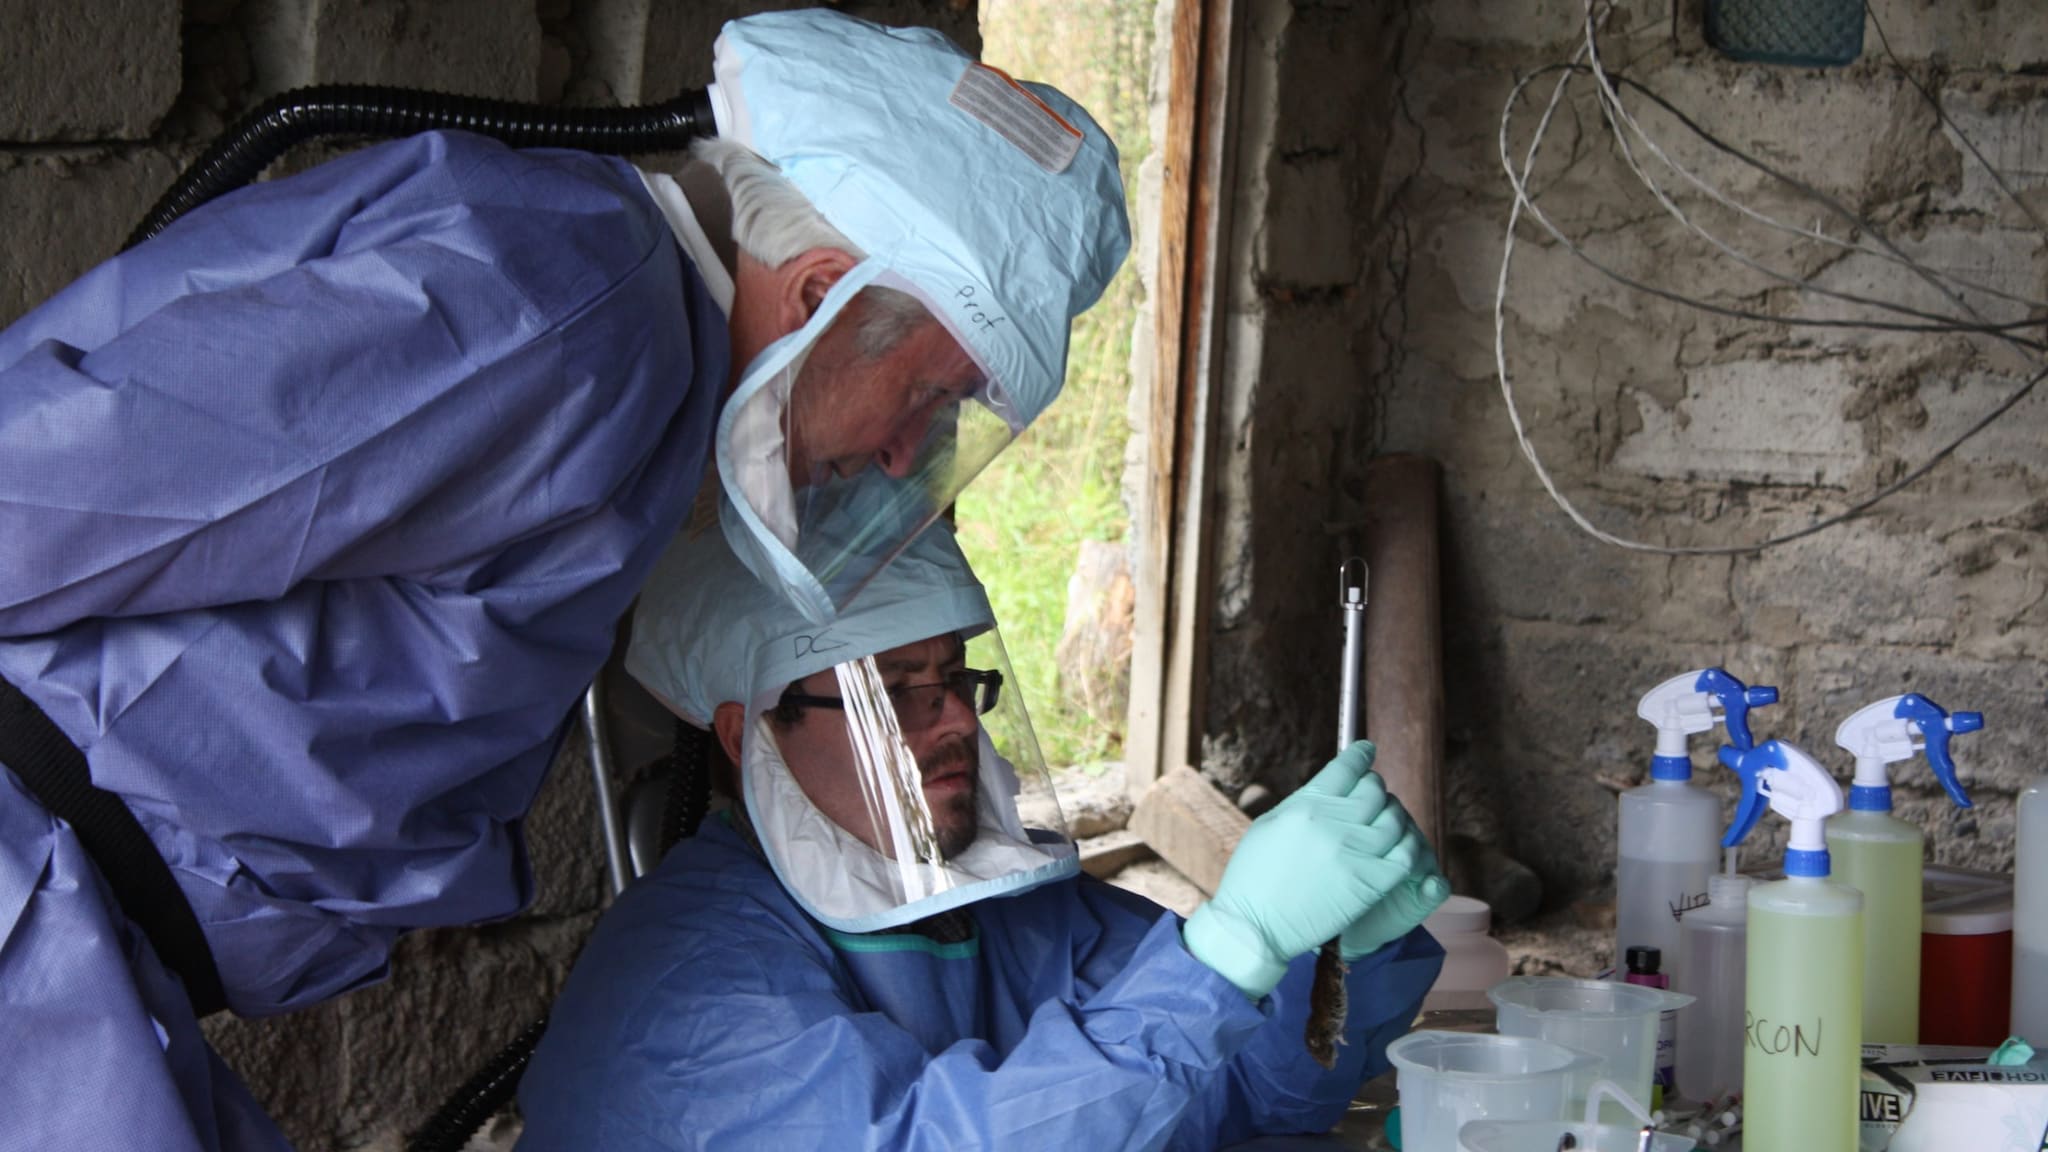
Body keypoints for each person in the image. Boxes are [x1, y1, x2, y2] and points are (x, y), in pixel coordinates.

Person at [0, 10, 1128, 1152]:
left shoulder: (639, 358)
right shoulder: (566, 317)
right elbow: (49, 493)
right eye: (932, 398)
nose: (903, 457)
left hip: (96, 945)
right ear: (820, 294)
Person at [515, 516, 1449, 1150]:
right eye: (891, 693)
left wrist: (1333, 964)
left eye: (956, 678)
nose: (954, 719)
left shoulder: (999, 910)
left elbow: (1247, 1096)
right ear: (745, 732)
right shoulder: (685, 980)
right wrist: (1226, 949)